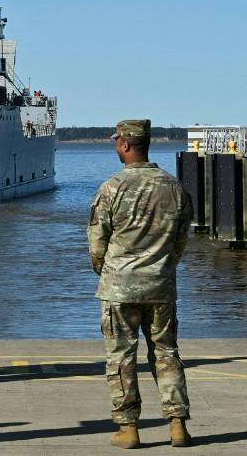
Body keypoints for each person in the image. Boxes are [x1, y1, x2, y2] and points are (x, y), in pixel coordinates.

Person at [88, 119, 194, 449]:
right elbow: (181, 239)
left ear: (125, 145)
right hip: (160, 285)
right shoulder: (173, 186)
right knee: (166, 353)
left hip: (119, 287)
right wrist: (164, 268)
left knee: (121, 357)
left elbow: (97, 243)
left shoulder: (112, 188)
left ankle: (128, 428)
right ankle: (177, 425)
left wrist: (106, 271)